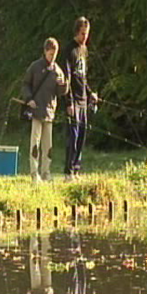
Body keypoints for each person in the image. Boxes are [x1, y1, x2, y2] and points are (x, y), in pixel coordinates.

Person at [22, 38, 68, 182]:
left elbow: (61, 92)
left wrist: (64, 85)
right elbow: (25, 84)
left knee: (48, 146)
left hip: (49, 112)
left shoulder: (58, 70)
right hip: (36, 110)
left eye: (54, 55)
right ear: (45, 51)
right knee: (35, 143)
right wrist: (29, 99)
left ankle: (46, 172)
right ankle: (34, 173)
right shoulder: (35, 67)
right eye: (50, 54)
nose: (52, 57)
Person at [62, 17, 98, 181]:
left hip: (84, 99)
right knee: (73, 136)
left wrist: (91, 93)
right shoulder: (69, 50)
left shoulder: (84, 50)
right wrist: (68, 102)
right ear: (77, 31)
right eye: (83, 33)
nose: (85, 37)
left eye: (87, 34)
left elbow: (83, 77)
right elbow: (67, 79)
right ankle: (68, 171)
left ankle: (77, 169)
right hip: (73, 100)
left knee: (82, 136)